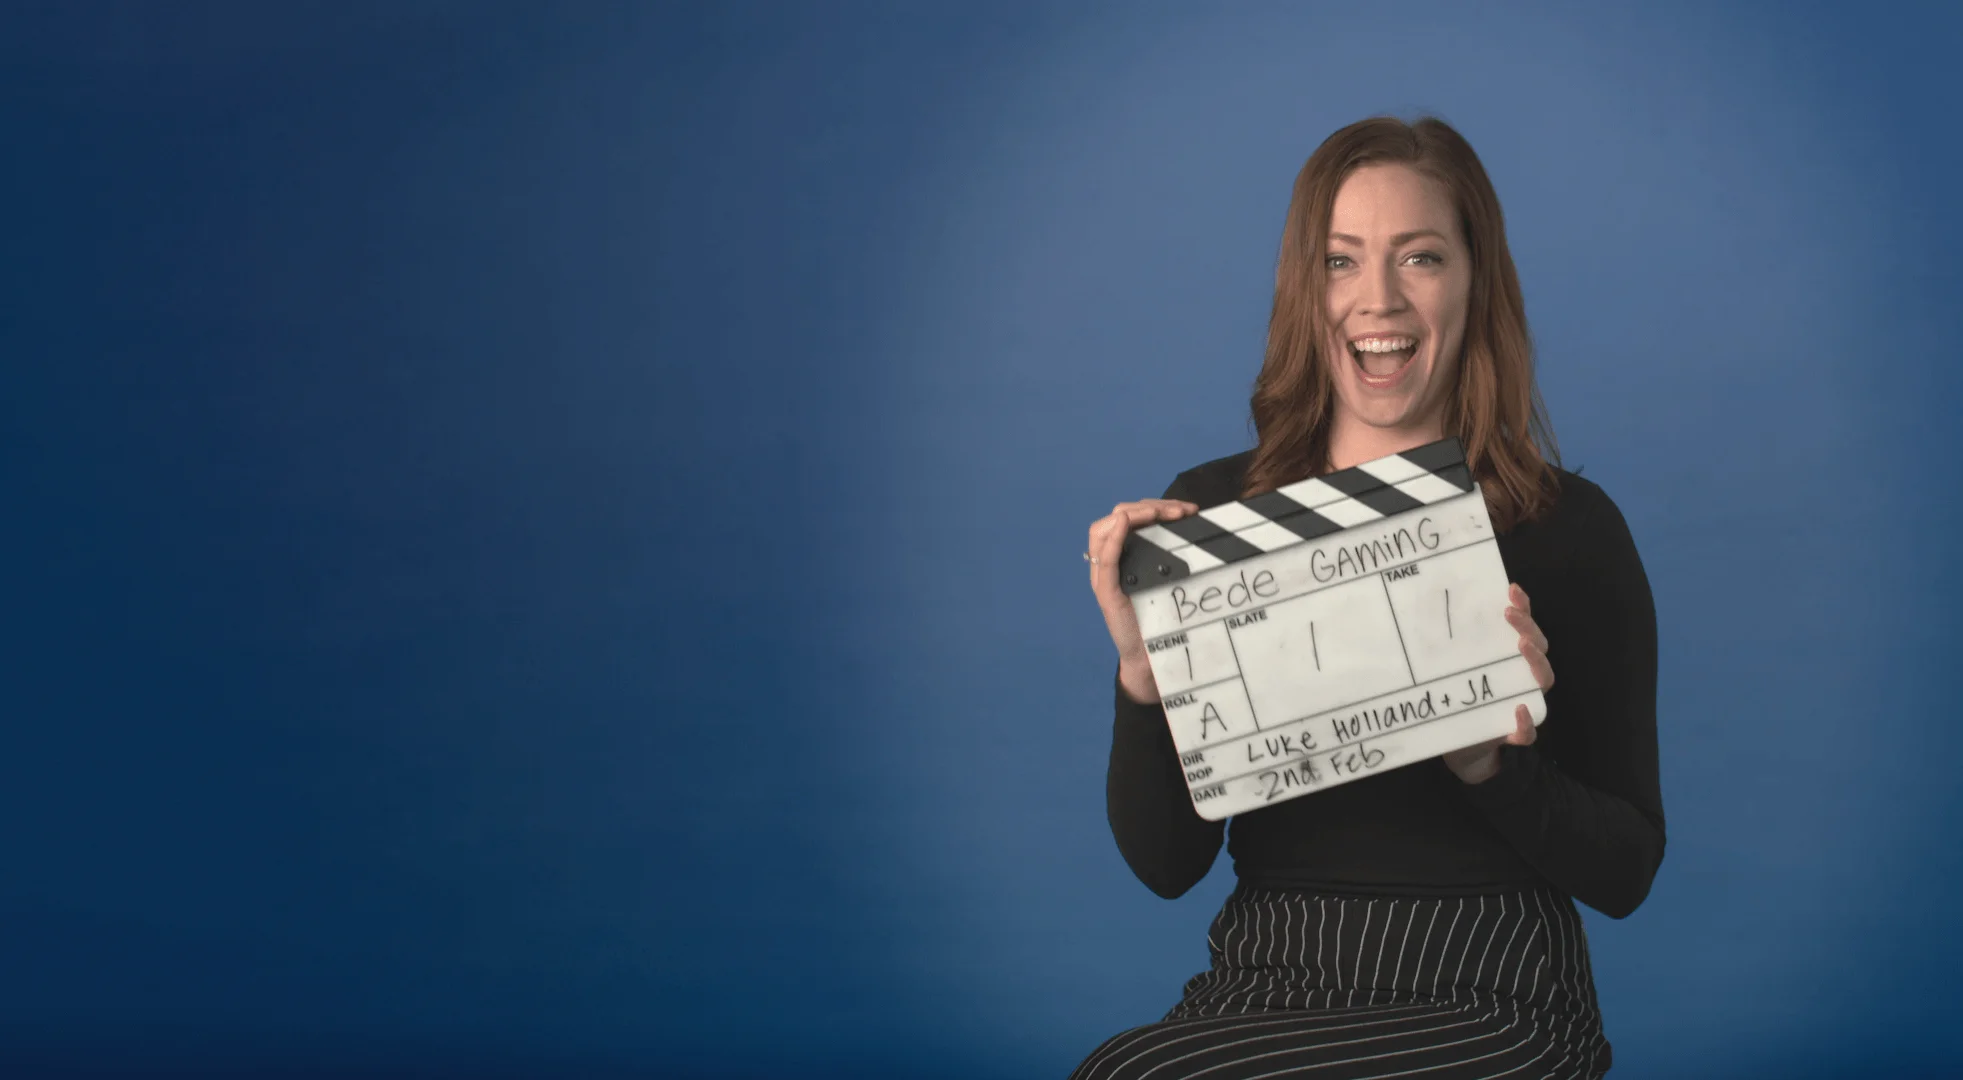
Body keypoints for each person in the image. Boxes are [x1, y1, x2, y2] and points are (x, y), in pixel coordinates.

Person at [1070, 115, 1663, 1080]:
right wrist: (1144, 678)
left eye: (1419, 257)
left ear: (1475, 281)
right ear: (1306, 289)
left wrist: (1491, 763)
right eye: (1341, 261)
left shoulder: (1564, 525)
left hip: (1494, 989)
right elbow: (1165, 866)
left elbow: (1627, 870)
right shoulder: (1218, 515)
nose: (1375, 298)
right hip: (1267, 977)